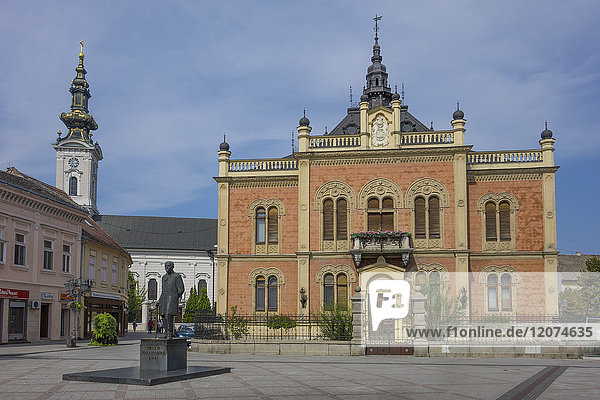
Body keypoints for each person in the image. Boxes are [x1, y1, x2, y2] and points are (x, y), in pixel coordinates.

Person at [158, 261, 185, 338]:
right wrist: (159, 300)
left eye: (168, 266)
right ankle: (166, 332)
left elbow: (181, 289)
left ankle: (170, 333)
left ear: (172, 267)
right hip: (164, 298)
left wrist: (175, 296)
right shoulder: (164, 277)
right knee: (163, 315)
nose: (166, 267)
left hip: (172, 297)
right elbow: (163, 290)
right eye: (165, 266)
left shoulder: (176, 276)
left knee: (168, 315)